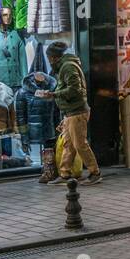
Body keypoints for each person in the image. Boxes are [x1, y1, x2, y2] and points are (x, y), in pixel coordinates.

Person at [37, 41, 102, 185]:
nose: (49, 62)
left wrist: (54, 94)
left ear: (53, 58)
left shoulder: (68, 67)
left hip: (77, 112)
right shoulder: (65, 67)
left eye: (49, 59)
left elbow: (75, 90)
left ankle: (95, 172)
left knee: (80, 145)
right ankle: (65, 174)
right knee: (68, 144)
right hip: (70, 112)